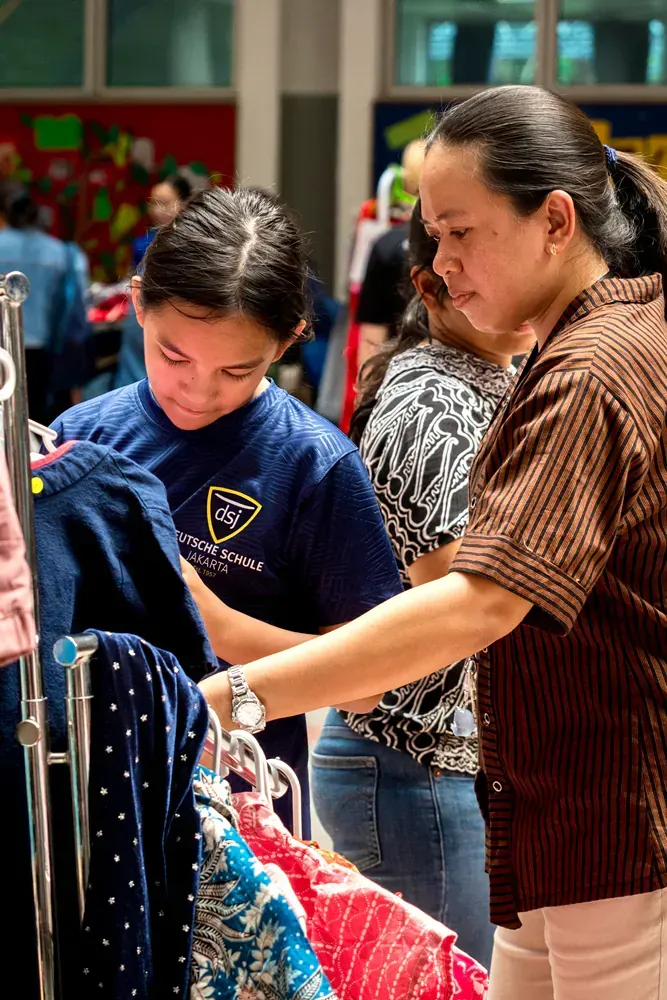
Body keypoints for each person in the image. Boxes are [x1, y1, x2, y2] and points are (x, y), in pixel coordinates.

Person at [197, 86, 667, 1000]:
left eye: (459, 231)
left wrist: (235, 694)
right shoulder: (600, 338)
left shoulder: (593, 367)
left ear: (554, 220)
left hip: (607, 812)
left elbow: (478, 600)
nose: (438, 263)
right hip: (555, 814)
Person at [51, 185, 402, 835]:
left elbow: (365, 685)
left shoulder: (314, 465)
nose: (196, 388)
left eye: (235, 371)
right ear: (137, 305)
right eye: (172, 355)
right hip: (86, 796)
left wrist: (220, 625)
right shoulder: (80, 437)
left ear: (287, 340)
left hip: (241, 816)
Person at [310, 202, 534, 968]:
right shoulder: (429, 396)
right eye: (459, 255)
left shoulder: (490, 375)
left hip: (439, 763)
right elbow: (461, 602)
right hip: (413, 763)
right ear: (428, 283)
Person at [0, 182, 87, 423]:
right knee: (35, 419)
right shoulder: (58, 251)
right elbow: (69, 303)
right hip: (43, 347)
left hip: (2, 346)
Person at [355, 139, 426, 372]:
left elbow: (371, 339)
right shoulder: (469, 242)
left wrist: (367, 399)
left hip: (397, 376)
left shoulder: (387, 244)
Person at [131, 174, 192, 268]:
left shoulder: (193, 242)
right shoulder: (141, 245)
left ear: (183, 204)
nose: (157, 210)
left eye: (165, 203)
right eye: (153, 203)